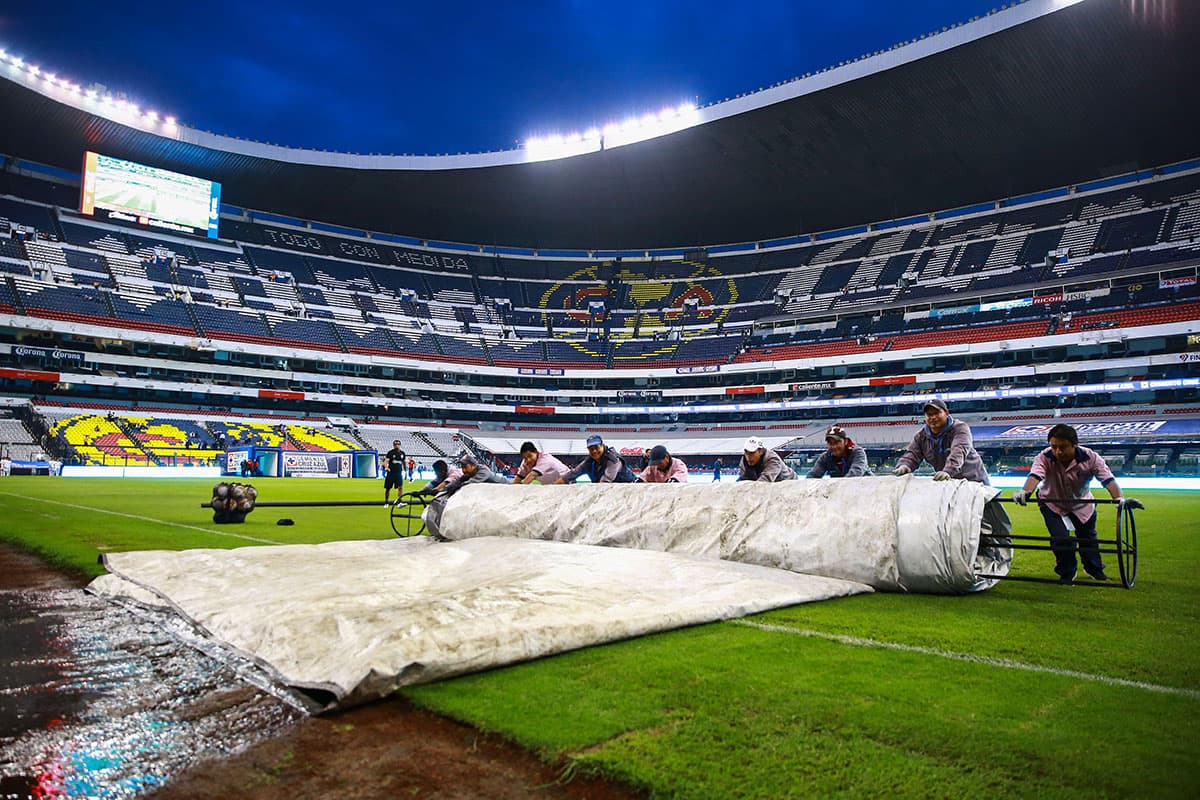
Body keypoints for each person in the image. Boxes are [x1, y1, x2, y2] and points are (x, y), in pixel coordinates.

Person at [1011, 424, 1143, 584]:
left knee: (1088, 537)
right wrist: (1025, 492)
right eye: (1054, 446)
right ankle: (1067, 572)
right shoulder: (1044, 457)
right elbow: (1035, 475)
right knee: (1060, 538)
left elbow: (1108, 480)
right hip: (1052, 503)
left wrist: (1120, 500)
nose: (1058, 451)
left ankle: (1094, 569)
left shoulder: (1091, 458)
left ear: (1075, 444)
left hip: (1082, 504)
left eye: (1063, 447)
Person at [892, 399, 989, 483]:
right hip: (948, 483)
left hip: (975, 481)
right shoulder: (921, 436)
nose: (933, 417)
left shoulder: (959, 428)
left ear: (946, 413)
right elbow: (912, 454)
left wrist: (948, 470)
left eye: (936, 413)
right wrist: (905, 466)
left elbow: (959, 450)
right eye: (929, 414)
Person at [557, 435, 641, 484]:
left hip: (631, 488)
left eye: (596, 447)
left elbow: (605, 482)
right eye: (591, 449)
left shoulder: (613, 460)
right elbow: (573, 473)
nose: (594, 451)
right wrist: (554, 485)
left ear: (602, 446)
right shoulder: (589, 461)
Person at [807, 426, 872, 478]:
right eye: (830, 443)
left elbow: (856, 473)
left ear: (846, 441)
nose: (834, 446)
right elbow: (813, 475)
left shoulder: (857, 452)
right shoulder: (825, 457)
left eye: (837, 442)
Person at [438, 454, 513, 495]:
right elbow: (458, 481)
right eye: (462, 467)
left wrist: (452, 488)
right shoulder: (469, 473)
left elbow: (468, 484)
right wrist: (440, 490)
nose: (463, 470)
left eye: (465, 467)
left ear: (473, 465)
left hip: (508, 487)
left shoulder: (483, 471)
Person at [383, 439, 407, 504]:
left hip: (398, 473)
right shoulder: (390, 453)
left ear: (400, 445)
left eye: (398, 444)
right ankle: (386, 502)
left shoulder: (402, 453)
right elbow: (386, 461)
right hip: (391, 473)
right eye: (395, 444)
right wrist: (386, 467)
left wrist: (405, 470)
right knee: (388, 488)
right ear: (393, 445)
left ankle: (400, 501)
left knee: (400, 487)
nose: (397, 445)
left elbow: (404, 462)